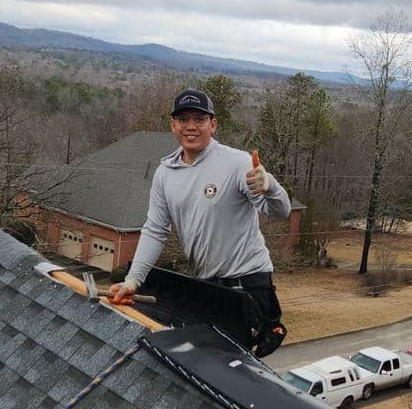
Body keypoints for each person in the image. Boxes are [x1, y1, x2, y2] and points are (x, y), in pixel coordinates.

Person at [107, 89, 292, 354]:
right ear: (173, 125)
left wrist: (271, 187)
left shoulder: (238, 163)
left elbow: (281, 211)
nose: (191, 126)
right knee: (206, 358)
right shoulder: (165, 174)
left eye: (199, 119)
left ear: (213, 125)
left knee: (231, 363)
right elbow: (155, 230)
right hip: (208, 285)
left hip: (247, 282)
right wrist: (134, 280)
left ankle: (269, 325)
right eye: (183, 119)